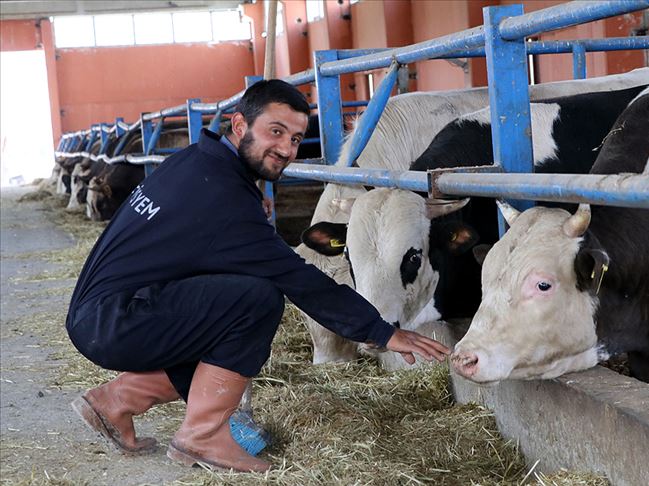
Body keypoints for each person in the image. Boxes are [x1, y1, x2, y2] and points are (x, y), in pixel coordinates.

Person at [65, 79, 451, 473]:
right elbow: (296, 278)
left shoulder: (194, 162)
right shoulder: (224, 197)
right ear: (239, 125)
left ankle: (115, 402)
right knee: (256, 301)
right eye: (275, 131)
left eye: (296, 139)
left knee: (224, 308)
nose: (286, 149)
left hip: (101, 312)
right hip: (117, 321)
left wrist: (249, 197)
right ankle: (203, 436)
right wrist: (381, 330)